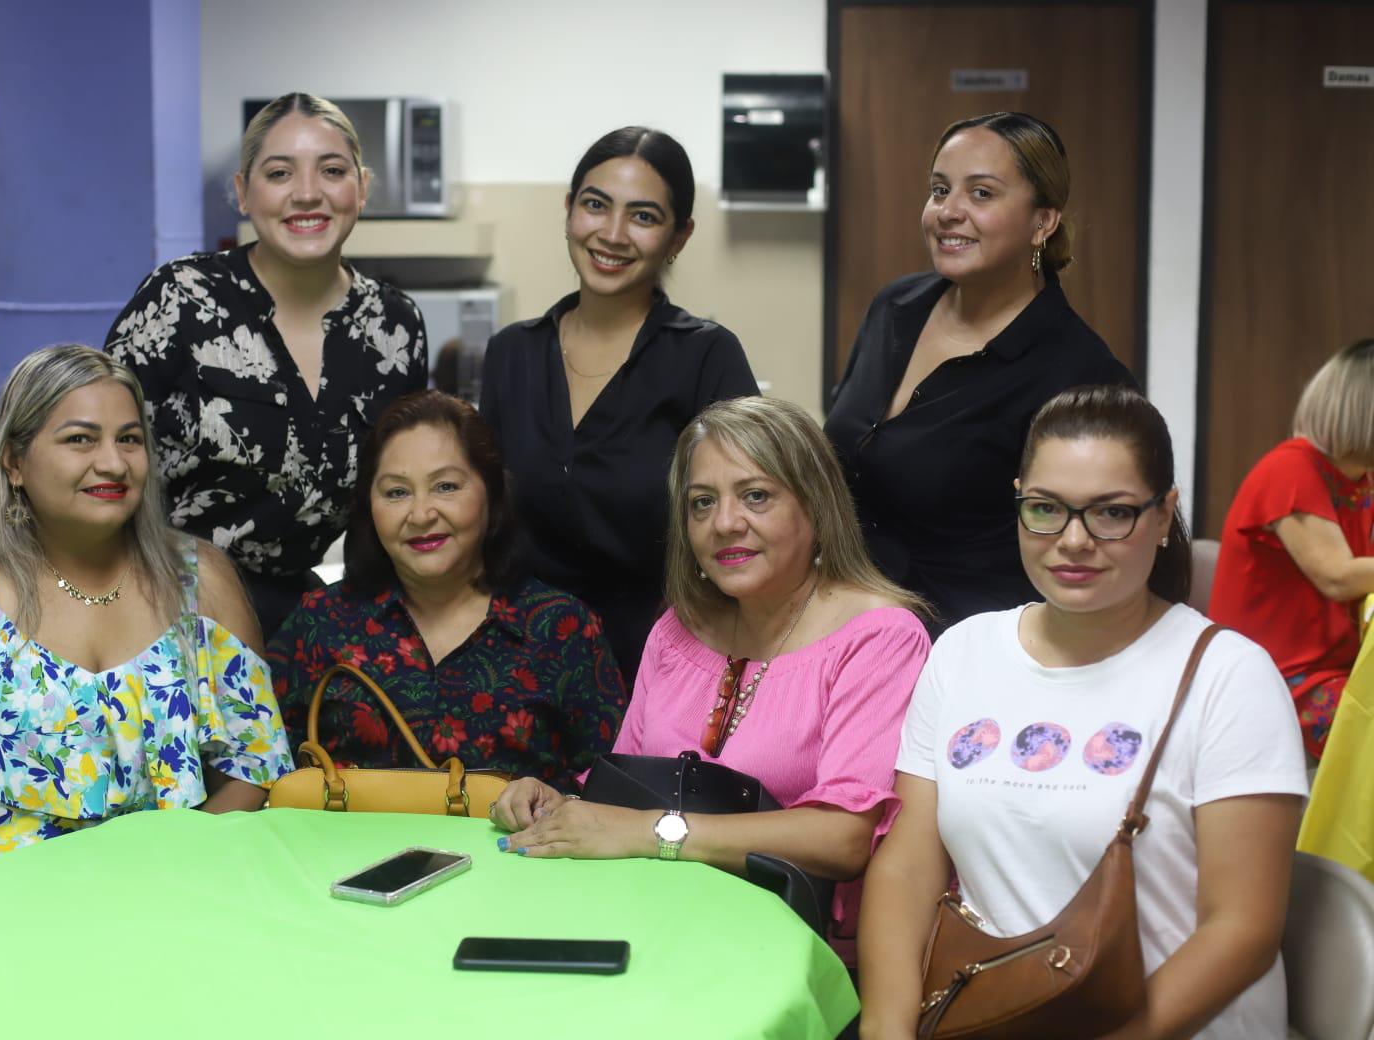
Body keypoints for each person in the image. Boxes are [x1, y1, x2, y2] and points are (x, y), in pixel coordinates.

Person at [858, 386, 1306, 1040]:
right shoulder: (963, 653)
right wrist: (888, 1028)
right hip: (997, 1012)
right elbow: (906, 868)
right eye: (1045, 509)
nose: (1073, 540)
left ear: (1163, 516)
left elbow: (1242, 932)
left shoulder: (1228, 676)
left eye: (1112, 513)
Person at [0, 345, 292, 919]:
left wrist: (173, 881)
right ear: (15, 462)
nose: (113, 463)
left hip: (146, 899)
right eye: (80, 439)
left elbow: (255, 769)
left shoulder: (202, 580)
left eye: (129, 439)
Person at [493, 397, 930, 960]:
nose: (725, 523)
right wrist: (555, 801)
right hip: (653, 919)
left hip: (795, 944)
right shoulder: (677, 630)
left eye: (756, 496)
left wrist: (654, 832)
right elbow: (624, 786)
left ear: (816, 508)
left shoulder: (878, 636)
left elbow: (842, 839)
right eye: (702, 503)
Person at [106, 92, 428, 637]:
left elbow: (392, 494)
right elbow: (103, 457)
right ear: (242, 193)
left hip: (298, 617)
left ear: (362, 188)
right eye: (279, 173)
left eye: (331, 171)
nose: (307, 194)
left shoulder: (393, 325)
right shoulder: (180, 299)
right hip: (159, 604)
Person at [824, 111, 1132, 633]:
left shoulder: (1080, 376)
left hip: (966, 650)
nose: (949, 211)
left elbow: (1083, 556)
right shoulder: (894, 307)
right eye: (940, 190)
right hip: (847, 632)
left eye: (982, 194)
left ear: (1043, 222)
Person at [479, 127, 758, 690]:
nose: (611, 234)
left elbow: (751, 518)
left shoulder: (706, 355)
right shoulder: (512, 352)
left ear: (679, 236)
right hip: (515, 665)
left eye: (643, 216)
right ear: (568, 211)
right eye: (595, 205)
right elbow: (485, 521)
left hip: (662, 665)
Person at [268, 391, 625, 790]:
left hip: (512, 852)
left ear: (491, 493)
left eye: (446, 486)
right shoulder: (320, 623)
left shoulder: (560, 628)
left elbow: (609, 791)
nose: (421, 514)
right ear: (369, 506)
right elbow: (261, 769)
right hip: (339, 853)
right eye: (396, 492)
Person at [1209, 338, 1374, 759]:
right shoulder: (1290, 470)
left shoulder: (1359, 482)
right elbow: (1338, 577)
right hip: (1279, 679)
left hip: (1338, 669)